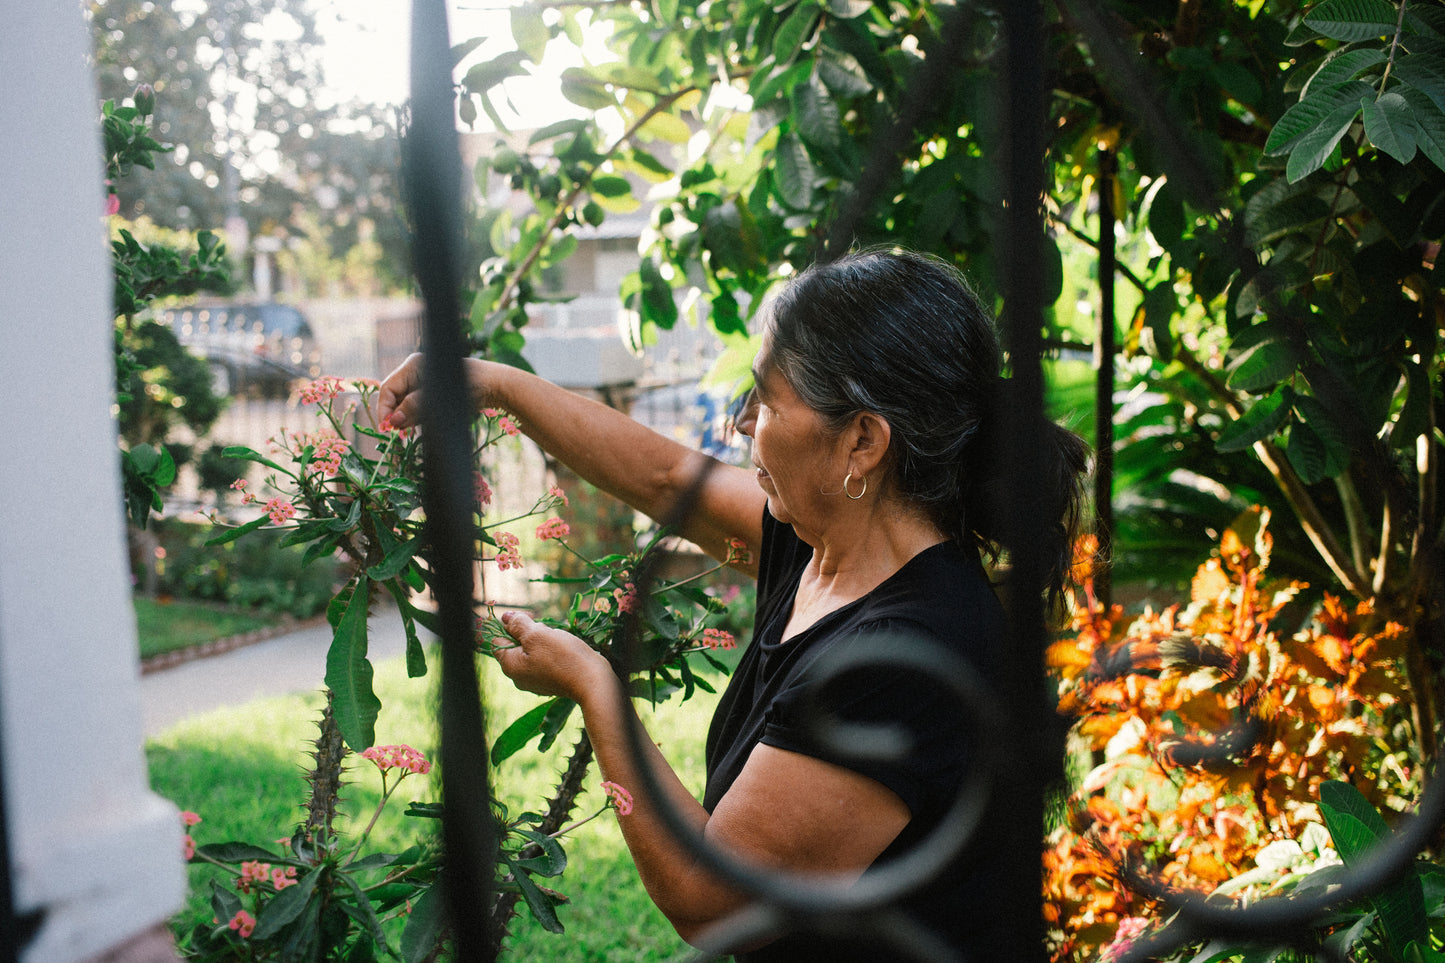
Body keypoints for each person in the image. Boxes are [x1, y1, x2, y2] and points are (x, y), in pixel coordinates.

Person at [377, 247, 1090, 960]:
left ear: (862, 441)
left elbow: (709, 899)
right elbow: (663, 478)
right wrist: (494, 385)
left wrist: (594, 684)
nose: (740, 422)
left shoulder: (903, 658)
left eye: (766, 400)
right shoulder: (825, 545)